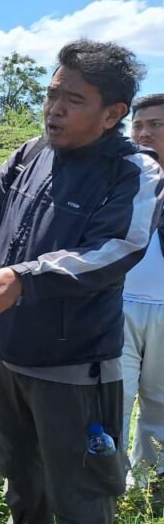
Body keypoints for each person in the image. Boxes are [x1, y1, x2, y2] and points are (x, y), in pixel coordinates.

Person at [0, 39, 164, 523]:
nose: (54, 109)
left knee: (81, 496)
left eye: (73, 100)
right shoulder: (33, 152)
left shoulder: (133, 171)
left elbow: (115, 248)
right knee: (21, 482)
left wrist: (23, 277)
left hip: (73, 366)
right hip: (4, 355)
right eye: (52, 94)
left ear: (113, 114)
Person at [121, 93, 164, 487]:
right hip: (119, 304)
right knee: (115, 395)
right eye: (138, 125)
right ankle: (110, 477)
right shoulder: (121, 179)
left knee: (161, 400)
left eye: (156, 125)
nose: (145, 133)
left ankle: (150, 479)